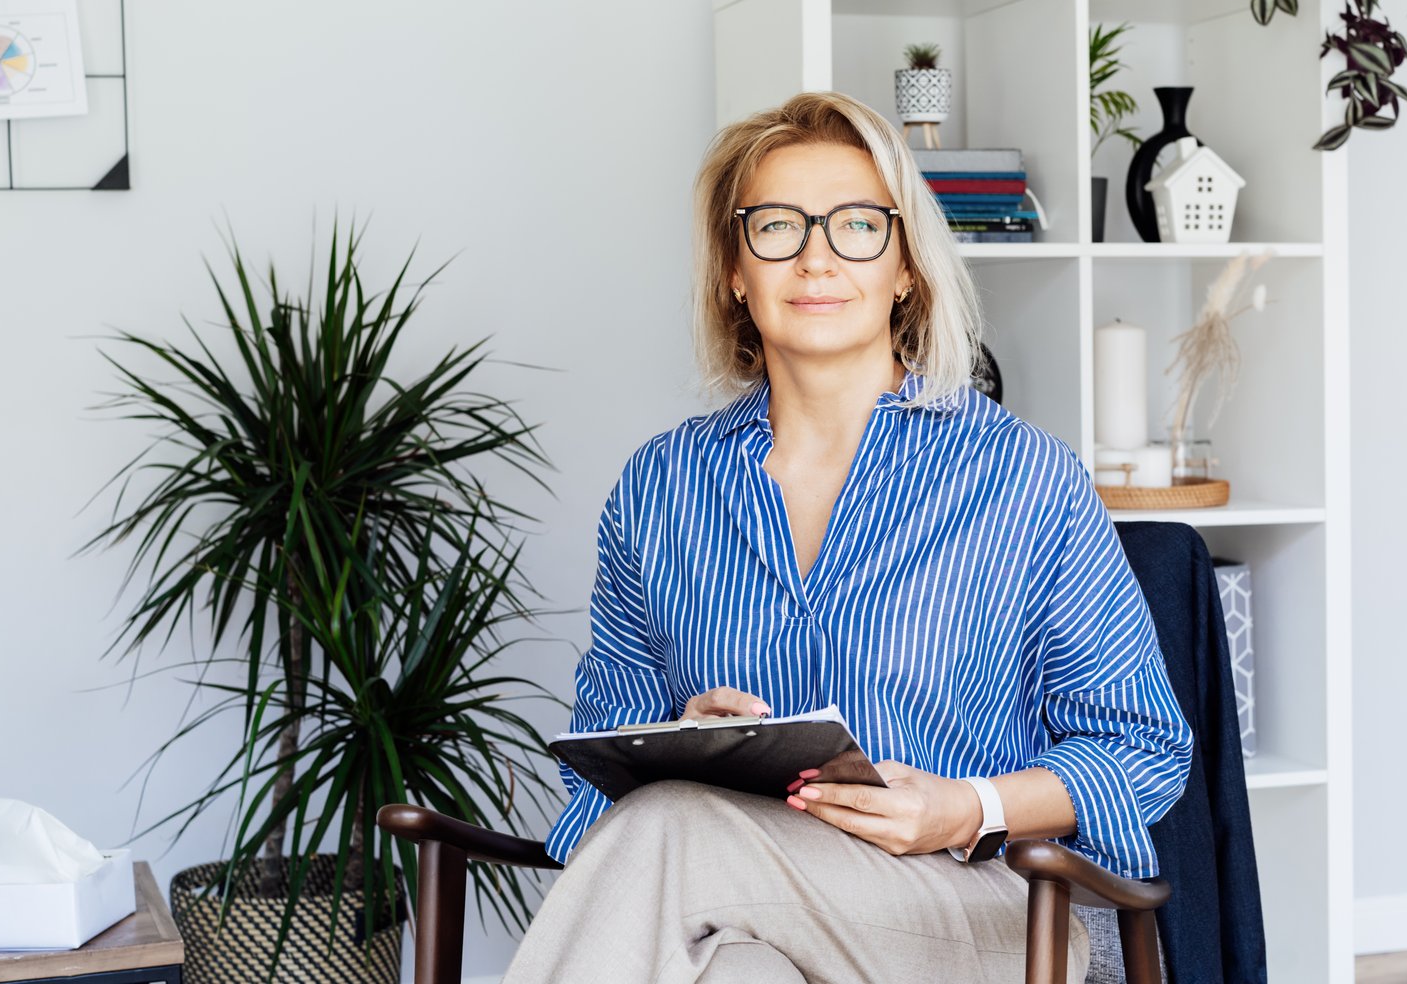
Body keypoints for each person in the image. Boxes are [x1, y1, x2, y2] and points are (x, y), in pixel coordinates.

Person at [504, 91, 1194, 984]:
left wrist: (963, 808)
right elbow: (599, 755)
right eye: (777, 227)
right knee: (736, 968)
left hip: (985, 908)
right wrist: (678, 735)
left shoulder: (1023, 478)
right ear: (733, 272)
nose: (818, 256)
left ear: (905, 266)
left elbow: (1143, 748)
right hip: (740, 906)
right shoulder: (659, 490)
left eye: (858, 226)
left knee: (673, 824)